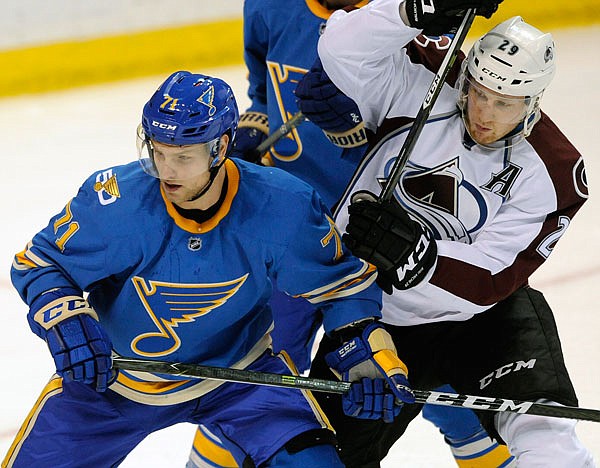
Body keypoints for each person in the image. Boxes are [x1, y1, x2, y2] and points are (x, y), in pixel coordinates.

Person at [2, 70, 417, 468]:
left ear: (220, 148)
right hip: (114, 382)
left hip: (242, 375)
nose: (166, 170)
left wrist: (371, 353)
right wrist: (67, 320)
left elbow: (340, 288)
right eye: (158, 152)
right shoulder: (116, 202)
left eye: (182, 156)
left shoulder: (282, 206)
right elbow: (41, 262)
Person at [187, 0, 514, 467]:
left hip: (375, 235)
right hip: (286, 234)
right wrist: (252, 127)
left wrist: (357, 134)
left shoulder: (399, 21)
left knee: (426, 380)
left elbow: (439, 132)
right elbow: (262, 84)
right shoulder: (268, 6)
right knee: (254, 381)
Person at [298, 0, 596, 466]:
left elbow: (491, 280)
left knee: (549, 441)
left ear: (533, 102)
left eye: (504, 103)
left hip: (485, 322)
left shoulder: (555, 172)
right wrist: (409, 10)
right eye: (479, 93)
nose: (484, 112)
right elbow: (339, 48)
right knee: (324, 457)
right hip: (374, 317)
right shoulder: (422, 87)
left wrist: (423, 257)